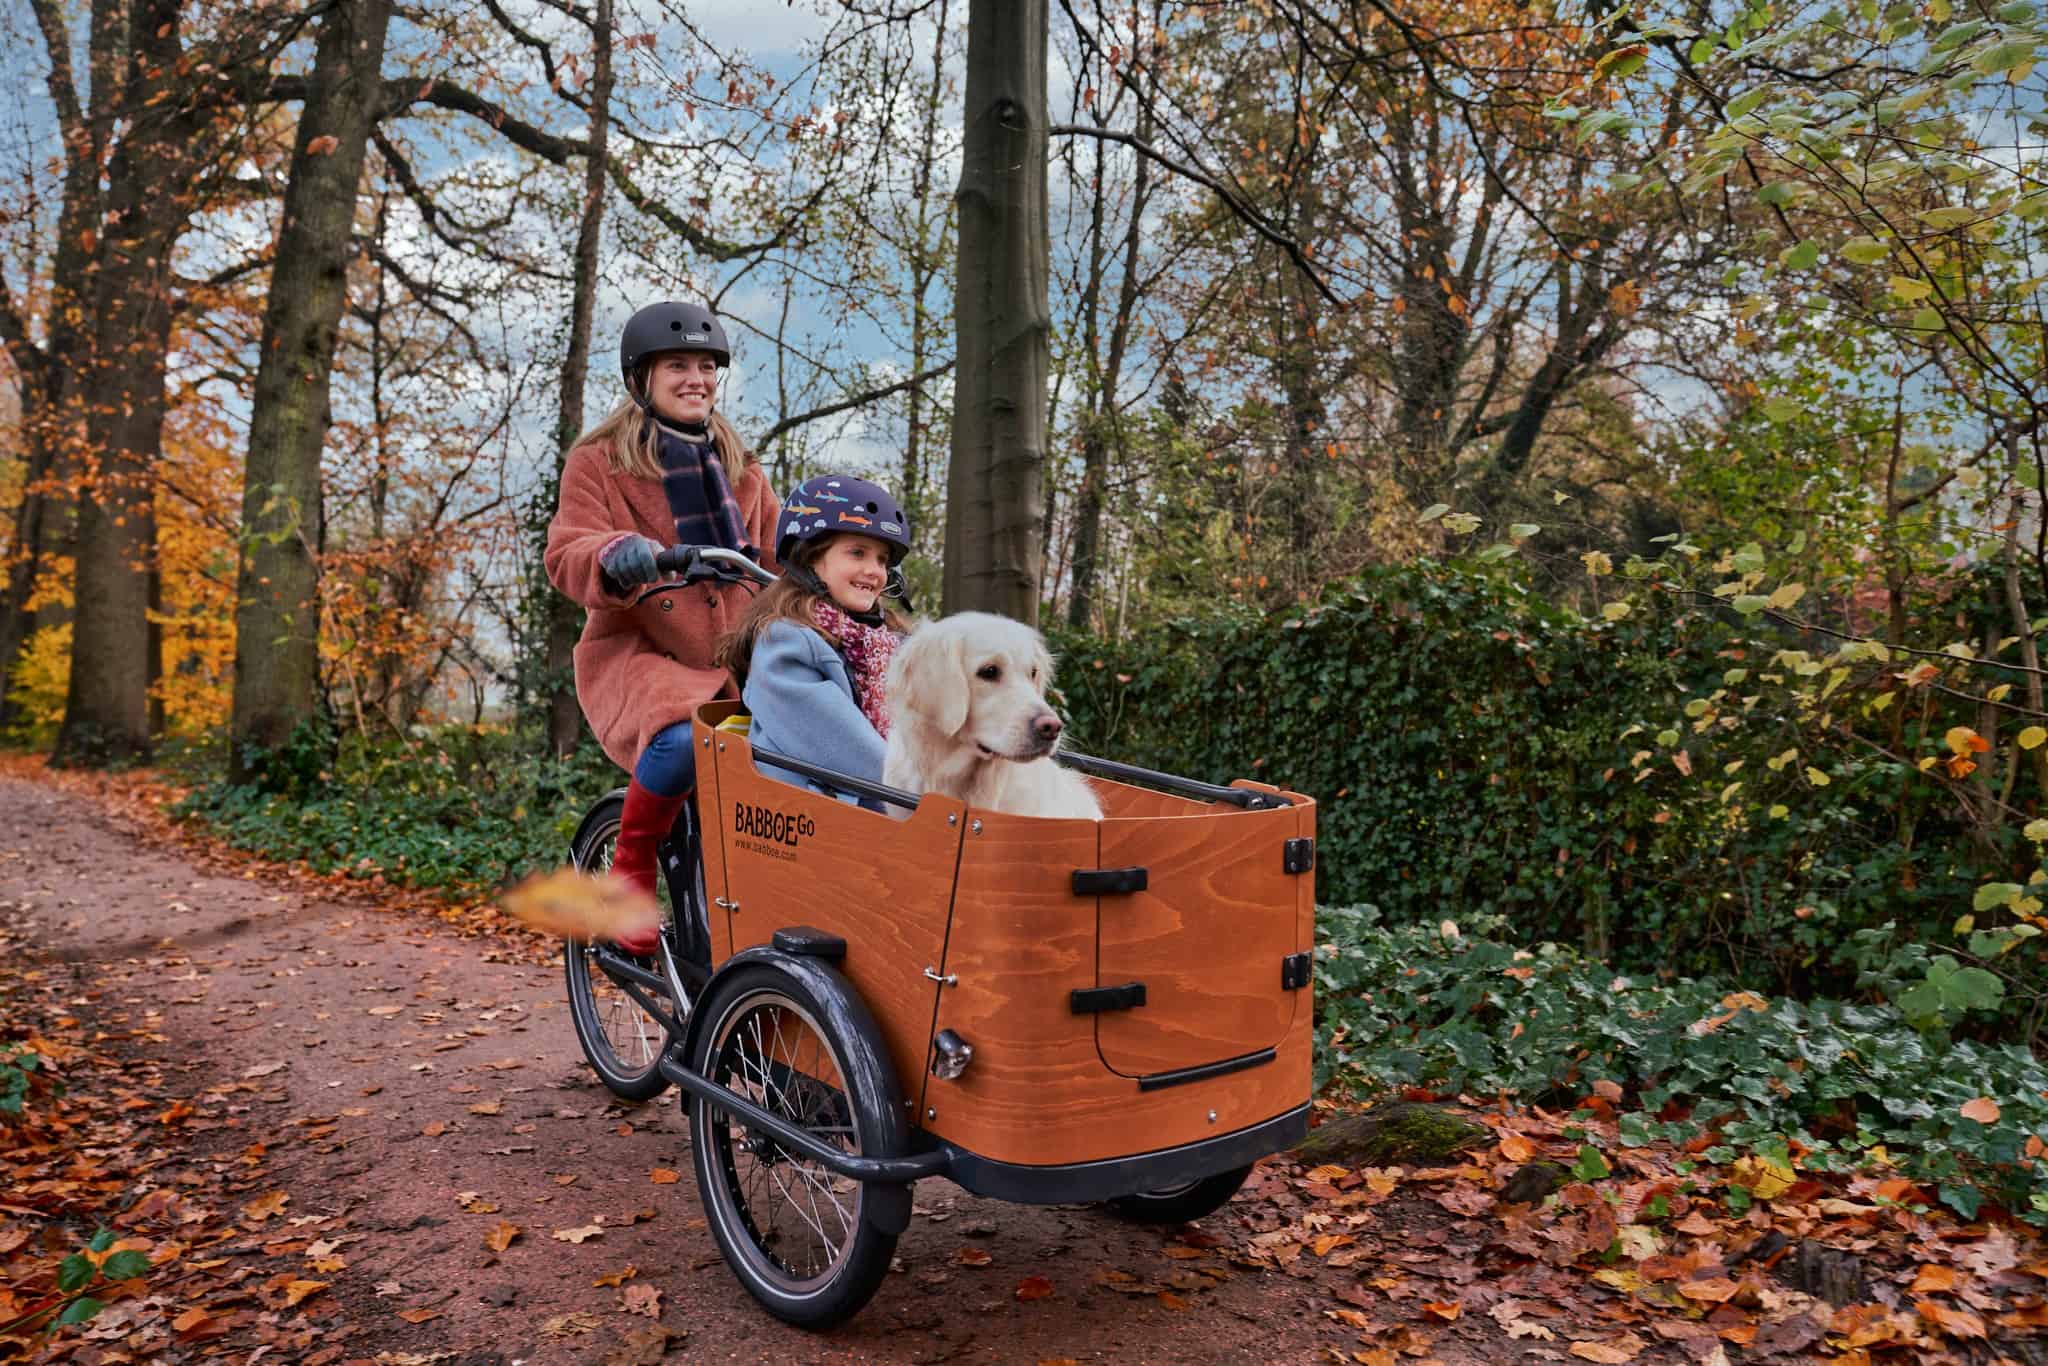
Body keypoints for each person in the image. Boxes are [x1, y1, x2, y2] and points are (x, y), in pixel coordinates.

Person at [545, 300, 780, 953]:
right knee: (683, 739)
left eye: (707, 366)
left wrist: (843, 566)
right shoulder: (598, 462)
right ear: (640, 378)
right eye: (678, 365)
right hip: (640, 656)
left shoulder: (740, 468)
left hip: (733, 659)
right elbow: (567, 550)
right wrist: (612, 554)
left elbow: (780, 551)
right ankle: (629, 870)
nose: (695, 379)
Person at [715, 475, 913, 799]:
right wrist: (926, 790)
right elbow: (847, 747)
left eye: (882, 559)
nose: (874, 570)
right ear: (809, 557)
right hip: (809, 817)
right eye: (857, 553)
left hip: (875, 806)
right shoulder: (786, 645)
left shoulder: (890, 644)